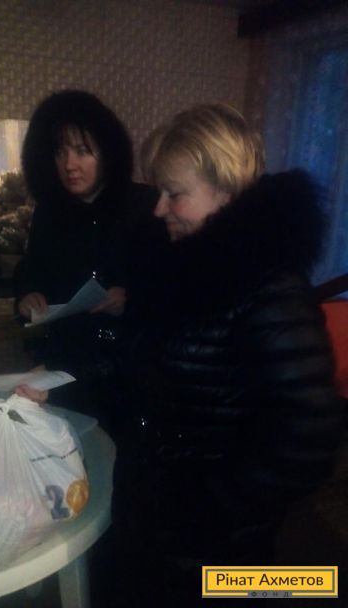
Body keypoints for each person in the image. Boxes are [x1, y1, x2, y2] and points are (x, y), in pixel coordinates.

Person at [108, 104, 344, 607]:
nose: (158, 209)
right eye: (158, 192)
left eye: (175, 193)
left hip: (219, 554)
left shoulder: (270, 290)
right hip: (158, 533)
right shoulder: (179, 268)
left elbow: (308, 440)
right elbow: (153, 374)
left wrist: (205, 505)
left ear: (227, 191)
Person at [13, 90, 167, 433]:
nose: (69, 164)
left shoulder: (146, 204)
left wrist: (131, 297)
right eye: (60, 152)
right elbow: (32, 269)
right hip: (69, 370)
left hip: (132, 373)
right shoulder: (48, 214)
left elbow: (170, 282)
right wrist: (27, 295)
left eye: (82, 150)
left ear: (108, 151)